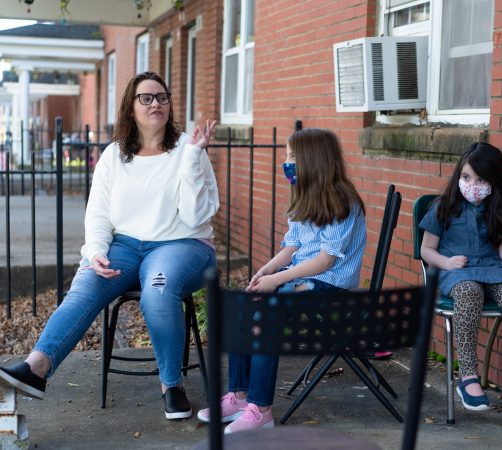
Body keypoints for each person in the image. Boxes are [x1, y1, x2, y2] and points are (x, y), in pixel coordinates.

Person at [0, 71, 219, 420]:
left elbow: (196, 216)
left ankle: (171, 385)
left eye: (162, 97)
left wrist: (193, 158)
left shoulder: (189, 151)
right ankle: (36, 367)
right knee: (86, 282)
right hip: (126, 245)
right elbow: (99, 213)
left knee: (158, 292)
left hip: (182, 244)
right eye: (145, 98)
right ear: (130, 107)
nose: (156, 103)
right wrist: (96, 251)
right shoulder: (114, 155)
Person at [196, 128, 367, 433]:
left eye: (292, 157)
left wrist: (279, 280)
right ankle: (238, 394)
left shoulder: (344, 202)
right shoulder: (303, 195)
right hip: (301, 278)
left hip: (332, 285)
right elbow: (293, 246)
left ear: (314, 161)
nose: (286, 162)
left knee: (265, 313)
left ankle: (261, 410)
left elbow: (326, 260)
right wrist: (266, 271)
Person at [419, 142, 502, 416]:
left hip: (495, 269)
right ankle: (468, 376)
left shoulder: (498, 210)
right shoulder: (443, 207)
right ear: (458, 175)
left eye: (481, 179)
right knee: (469, 292)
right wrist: (447, 262)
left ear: (493, 182)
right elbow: (426, 250)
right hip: (456, 272)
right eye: (466, 177)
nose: (472, 185)